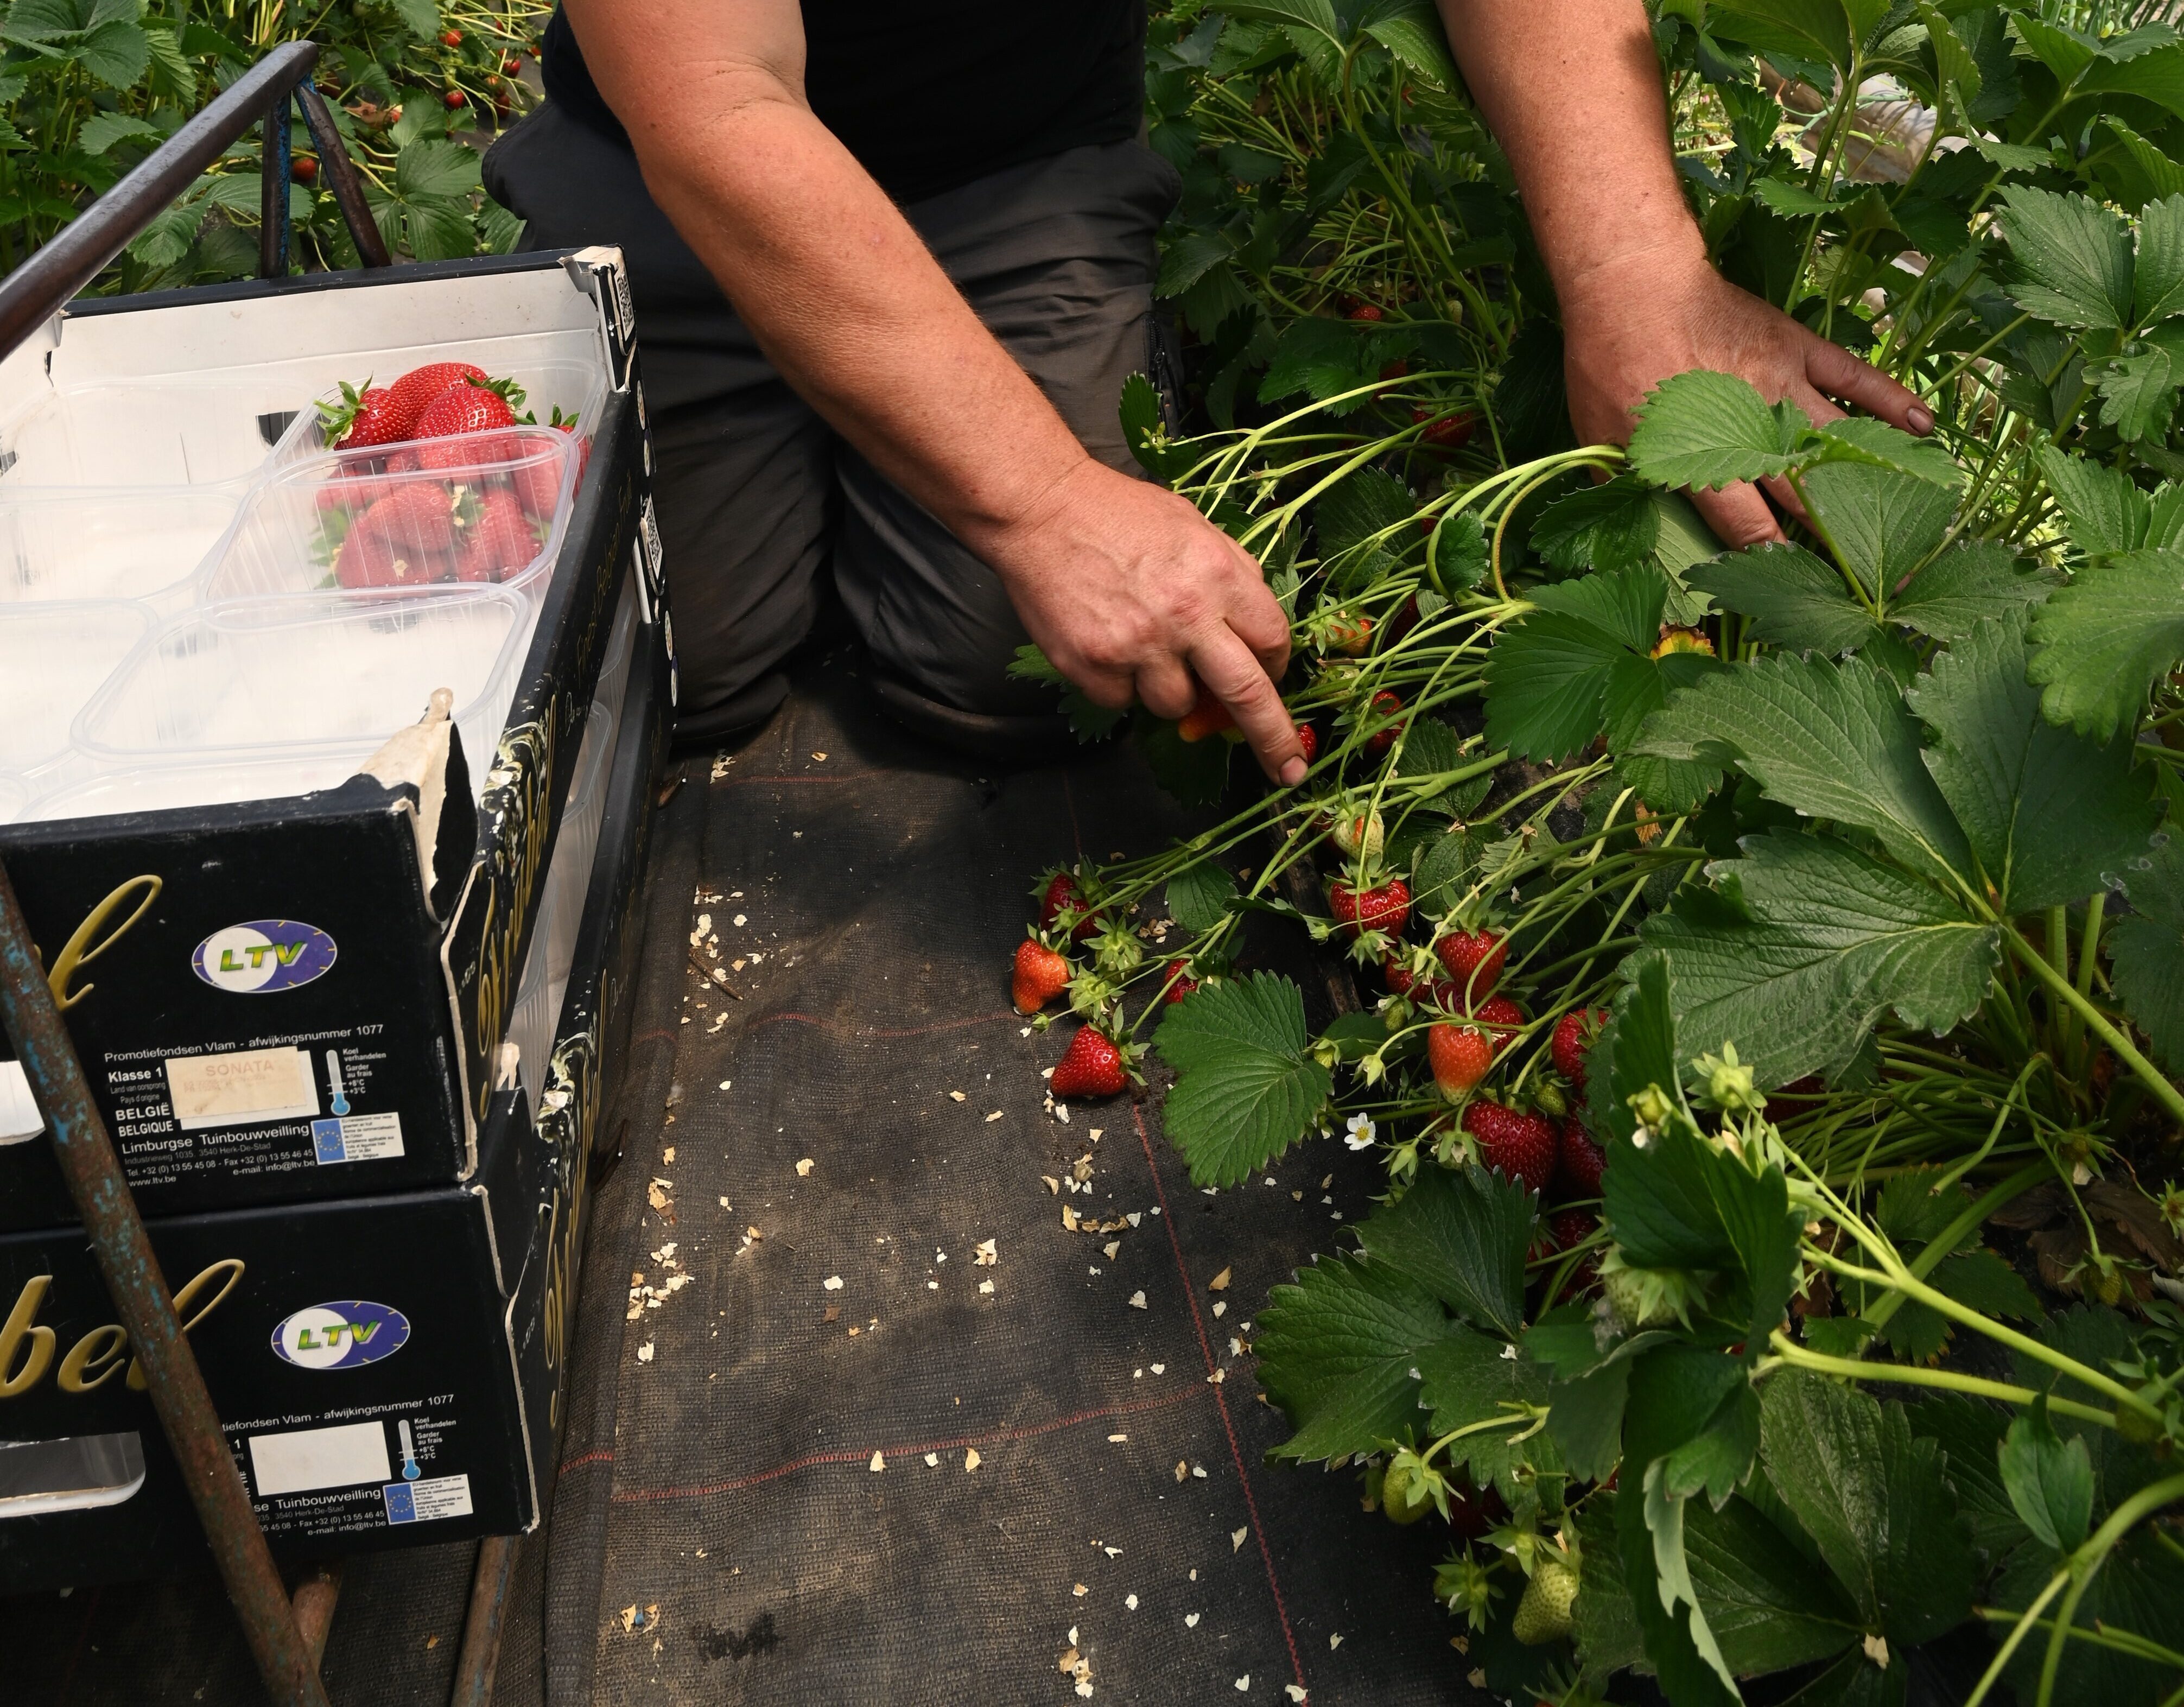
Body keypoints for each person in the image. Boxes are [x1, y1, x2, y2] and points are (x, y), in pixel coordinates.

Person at [484, 1, 1927, 779]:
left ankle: (937, 435)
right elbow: (718, 104)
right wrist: (1049, 501)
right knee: (653, 678)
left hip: (1012, 174)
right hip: (675, 172)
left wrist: (1632, 272)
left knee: (1023, 677)